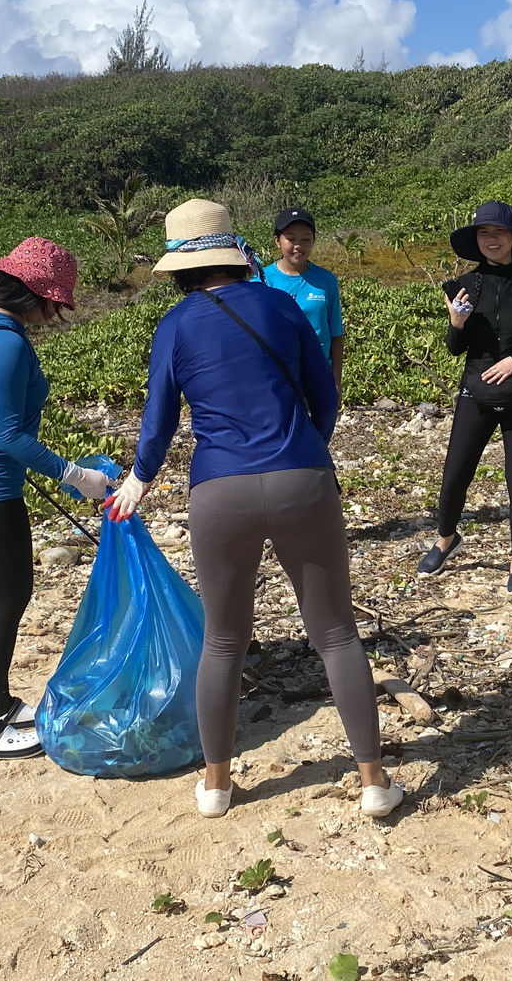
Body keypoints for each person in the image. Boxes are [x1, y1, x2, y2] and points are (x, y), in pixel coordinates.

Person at [106, 198, 402, 819]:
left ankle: (216, 786)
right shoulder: (282, 303)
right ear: (235, 254)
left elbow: (158, 420)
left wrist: (138, 479)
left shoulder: (177, 325)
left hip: (220, 491)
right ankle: (374, 781)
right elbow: (327, 398)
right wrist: (302, 452)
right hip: (302, 476)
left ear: (181, 268)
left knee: (223, 640)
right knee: (336, 633)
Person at [0, 237, 113, 760]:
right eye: (55, 303)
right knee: (3, 601)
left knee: (1, 598)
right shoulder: (7, 341)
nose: (54, 314)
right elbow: (9, 436)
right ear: (31, 294)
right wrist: (74, 474)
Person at [417, 201, 512, 593]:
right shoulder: (464, 285)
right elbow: (454, 348)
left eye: (499, 233)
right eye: (484, 233)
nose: (492, 240)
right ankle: (446, 538)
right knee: (454, 475)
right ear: (476, 240)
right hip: (475, 388)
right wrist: (457, 323)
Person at [263, 207, 345, 391]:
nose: (298, 246)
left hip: (318, 375)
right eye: (291, 239)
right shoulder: (261, 280)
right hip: (277, 377)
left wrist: (336, 381)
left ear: (313, 242)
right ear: (277, 241)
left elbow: (336, 336)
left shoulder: (326, 281)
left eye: (306, 239)